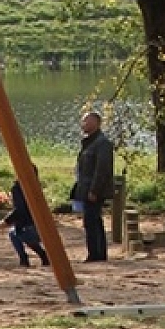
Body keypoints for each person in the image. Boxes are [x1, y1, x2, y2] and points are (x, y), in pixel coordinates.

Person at [72, 111, 114, 262]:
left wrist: (94, 190)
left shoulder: (102, 143)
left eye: (86, 121)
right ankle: (96, 253)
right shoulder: (88, 142)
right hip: (86, 188)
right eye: (82, 121)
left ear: (96, 123)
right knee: (91, 221)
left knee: (93, 221)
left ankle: (97, 254)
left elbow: (102, 169)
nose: (83, 124)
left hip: (94, 190)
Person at [2, 164, 49, 268]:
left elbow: (20, 210)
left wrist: (6, 220)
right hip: (43, 227)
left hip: (29, 228)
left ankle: (25, 258)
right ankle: (41, 256)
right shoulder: (37, 186)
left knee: (16, 233)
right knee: (14, 233)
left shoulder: (17, 188)